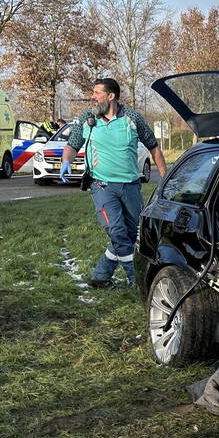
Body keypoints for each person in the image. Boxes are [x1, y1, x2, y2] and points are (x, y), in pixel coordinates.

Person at [61, 78, 166, 288]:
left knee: (128, 234)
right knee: (117, 232)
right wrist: (66, 161)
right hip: (102, 186)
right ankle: (136, 280)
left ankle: (100, 276)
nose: (93, 97)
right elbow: (72, 145)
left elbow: (154, 147)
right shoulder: (87, 118)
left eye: (97, 93)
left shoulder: (132, 118)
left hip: (131, 186)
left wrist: (165, 179)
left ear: (111, 96)